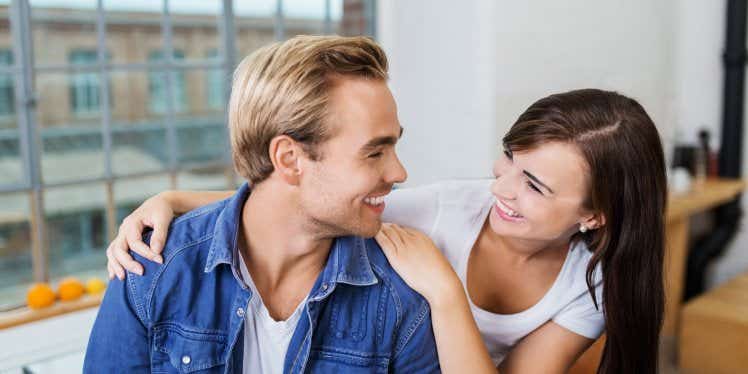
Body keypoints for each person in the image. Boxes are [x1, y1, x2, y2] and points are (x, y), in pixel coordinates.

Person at [108, 89, 667, 373]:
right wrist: (175, 199)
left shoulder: (587, 285)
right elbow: (306, 200)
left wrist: (445, 289)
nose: (502, 189)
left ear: (593, 217)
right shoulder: (449, 209)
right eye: (508, 161)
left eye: (536, 187)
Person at [84, 35, 441, 373]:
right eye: (375, 152)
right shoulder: (154, 269)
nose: (399, 172)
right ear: (288, 159)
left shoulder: (398, 296)